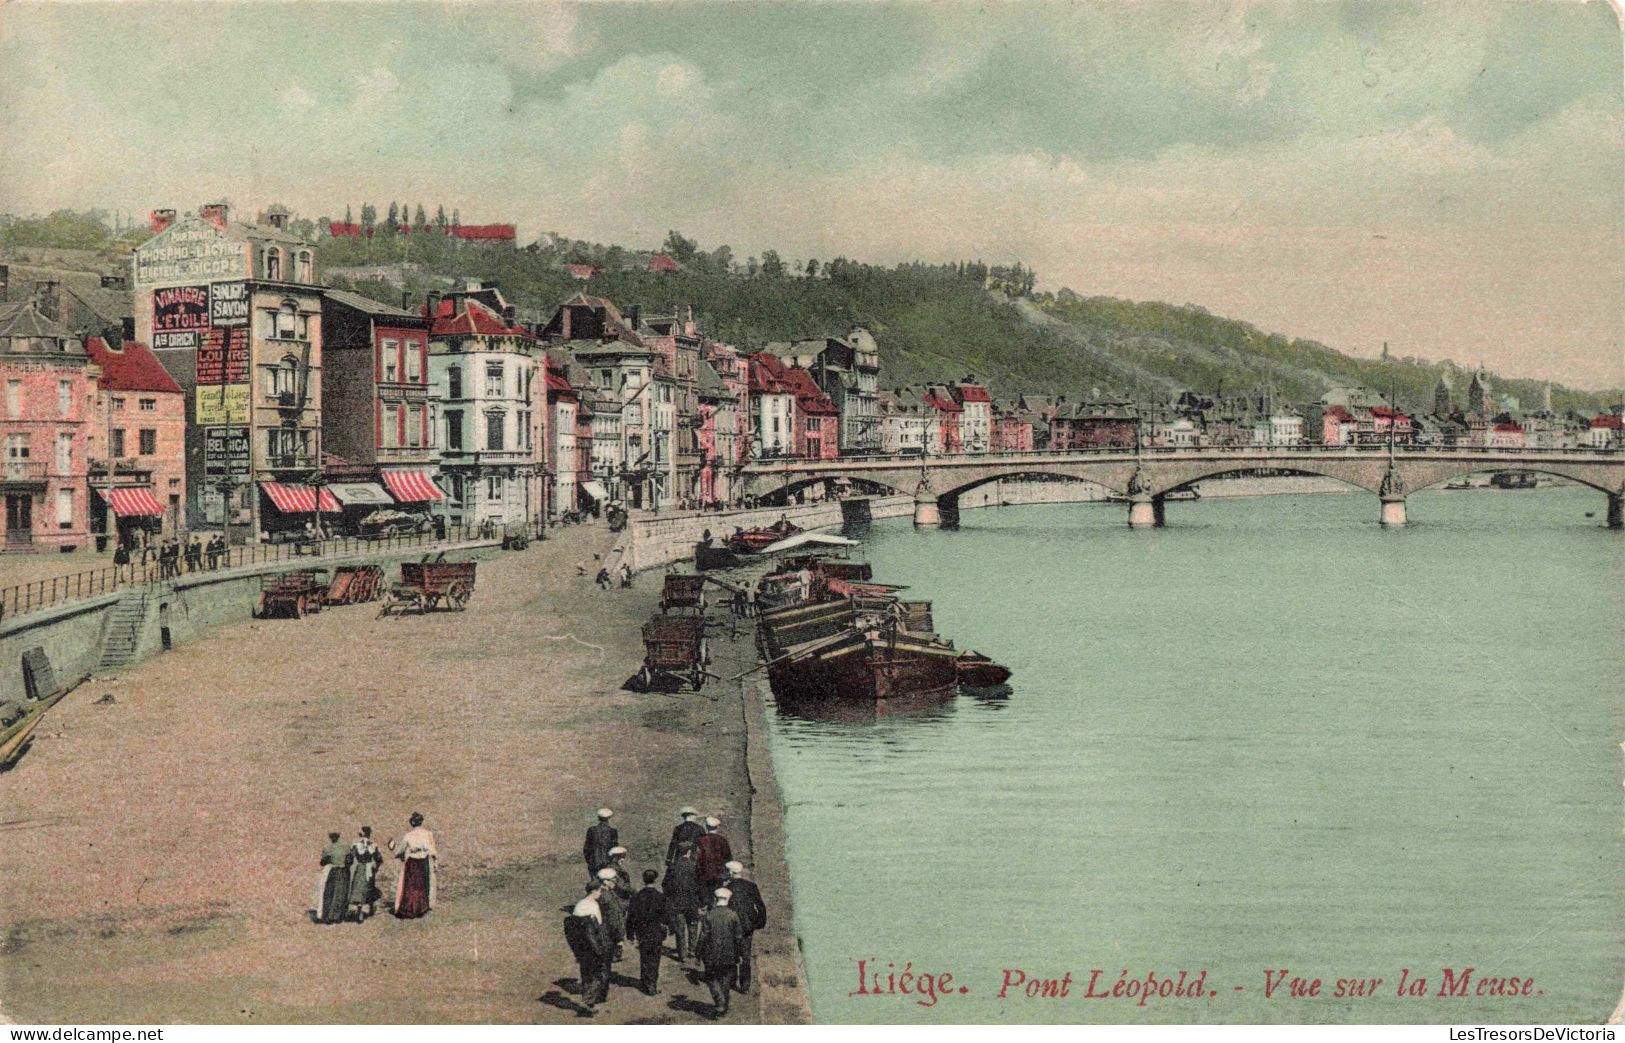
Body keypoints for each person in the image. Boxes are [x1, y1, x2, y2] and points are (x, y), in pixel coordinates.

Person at [695, 888, 745, 1017]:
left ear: (716, 899)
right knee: (725, 981)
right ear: (728, 899)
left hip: (711, 954)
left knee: (711, 979)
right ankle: (723, 1005)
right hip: (729, 954)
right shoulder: (733, 915)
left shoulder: (709, 915)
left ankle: (720, 1002)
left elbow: (703, 936)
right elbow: (738, 937)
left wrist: (698, 953)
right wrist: (740, 953)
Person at [564, 881, 612, 1011]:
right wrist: (600, 948)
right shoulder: (593, 906)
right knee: (598, 972)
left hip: (581, 946)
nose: (601, 894)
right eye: (600, 891)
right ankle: (590, 1000)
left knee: (586, 972)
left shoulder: (579, 905)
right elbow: (597, 928)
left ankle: (589, 997)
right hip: (592, 944)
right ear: (594, 891)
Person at [624, 869, 669, 995]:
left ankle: (645, 982)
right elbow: (666, 916)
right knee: (655, 959)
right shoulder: (660, 897)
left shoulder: (637, 897)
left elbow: (630, 917)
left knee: (644, 957)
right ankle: (652, 985)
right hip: (656, 932)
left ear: (643, 880)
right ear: (655, 880)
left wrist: (630, 934)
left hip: (642, 931)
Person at [724, 861, 768, 993]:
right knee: (746, 956)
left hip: (732, 926)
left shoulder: (727, 889)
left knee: (732, 954)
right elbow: (760, 906)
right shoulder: (751, 886)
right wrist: (758, 923)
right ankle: (745, 985)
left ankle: (732, 981)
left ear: (731, 873)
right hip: (747, 926)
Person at [389, 811, 437, 918]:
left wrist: (393, 849)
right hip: (424, 861)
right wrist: (434, 863)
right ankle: (421, 907)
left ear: (412, 823)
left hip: (413, 862)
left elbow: (399, 851)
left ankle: (412, 908)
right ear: (421, 822)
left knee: (411, 886)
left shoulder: (408, 836)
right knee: (422, 885)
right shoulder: (428, 834)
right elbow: (433, 850)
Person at [663, 842, 703, 962]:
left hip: (677, 902)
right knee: (693, 926)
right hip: (692, 902)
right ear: (688, 852)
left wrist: (670, 896)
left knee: (680, 929)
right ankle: (692, 950)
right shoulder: (694, 866)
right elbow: (700, 885)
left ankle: (682, 954)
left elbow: (665, 884)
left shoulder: (672, 867)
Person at [313, 831, 352, 925]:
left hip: (334, 871)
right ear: (338, 837)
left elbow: (322, 862)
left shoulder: (327, 848)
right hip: (343, 871)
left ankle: (329, 916)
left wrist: (331, 859)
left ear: (331, 838)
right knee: (341, 893)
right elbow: (350, 860)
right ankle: (338, 916)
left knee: (330, 893)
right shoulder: (346, 847)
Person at [348, 826, 384, 921]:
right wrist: (376, 868)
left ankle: (359, 911)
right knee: (369, 887)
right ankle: (370, 908)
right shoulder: (373, 845)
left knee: (359, 888)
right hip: (369, 868)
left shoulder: (356, 845)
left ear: (361, 834)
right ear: (369, 834)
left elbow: (349, 858)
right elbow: (379, 859)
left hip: (360, 867)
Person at [595, 866, 628, 963]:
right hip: (610, 930)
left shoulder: (606, 892)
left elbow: (620, 904)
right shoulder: (606, 897)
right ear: (605, 881)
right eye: (613, 880)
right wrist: (619, 933)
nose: (615, 882)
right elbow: (614, 915)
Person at [695, 816, 732, 894]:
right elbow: (728, 858)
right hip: (719, 873)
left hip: (704, 873)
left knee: (706, 894)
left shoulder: (701, 840)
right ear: (717, 827)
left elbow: (697, 858)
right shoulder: (722, 840)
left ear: (706, 827)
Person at [582, 808, 617, 875]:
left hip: (594, 863)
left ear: (598, 818)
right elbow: (614, 849)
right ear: (609, 818)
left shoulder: (592, 830)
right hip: (608, 863)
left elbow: (586, 848)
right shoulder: (613, 831)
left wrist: (590, 861)